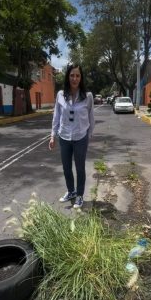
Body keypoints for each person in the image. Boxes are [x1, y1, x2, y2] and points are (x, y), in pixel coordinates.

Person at [50, 64, 95, 209]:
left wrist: (89, 136)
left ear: (81, 78)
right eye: (72, 75)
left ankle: (80, 195)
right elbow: (56, 116)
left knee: (80, 168)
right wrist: (52, 135)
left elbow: (91, 118)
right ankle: (71, 191)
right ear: (67, 77)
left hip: (81, 137)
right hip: (64, 137)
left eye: (77, 76)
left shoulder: (87, 96)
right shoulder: (60, 95)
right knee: (66, 167)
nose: (74, 78)